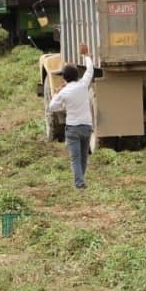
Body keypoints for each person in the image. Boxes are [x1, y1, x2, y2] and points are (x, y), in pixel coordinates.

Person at [48, 42, 96, 189]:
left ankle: (79, 184)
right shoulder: (83, 85)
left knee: (75, 158)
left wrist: (58, 93)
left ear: (65, 78)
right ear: (76, 76)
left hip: (72, 129)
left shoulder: (64, 91)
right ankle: (81, 181)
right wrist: (86, 55)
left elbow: (52, 107)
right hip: (86, 127)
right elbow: (90, 71)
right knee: (83, 157)